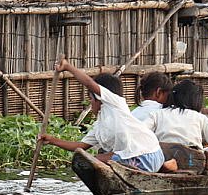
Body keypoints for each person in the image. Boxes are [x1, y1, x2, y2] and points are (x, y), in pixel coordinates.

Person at [38, 58, 176, 172]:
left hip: (147, 155)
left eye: (91, 99)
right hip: (137, 159)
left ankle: (165, 166)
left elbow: (89, 83)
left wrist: (68, 67)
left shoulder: (115, 104)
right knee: (91, 157)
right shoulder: (99, 126)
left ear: (99, 98)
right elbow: (79, 146)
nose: (90, 103)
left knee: (94, 160)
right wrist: (52, 140)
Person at [144, 79, 208, 149]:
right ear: (196, 101)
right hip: (192, 160)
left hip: (165, 157)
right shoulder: (200, 117)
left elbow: (142, 131)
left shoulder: (157, 114)